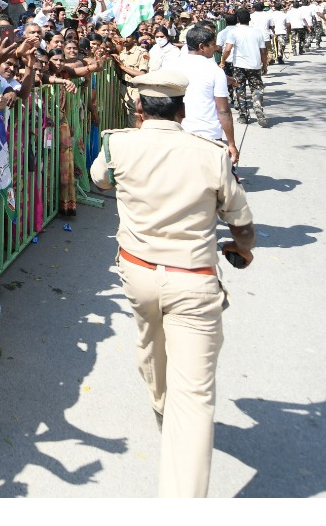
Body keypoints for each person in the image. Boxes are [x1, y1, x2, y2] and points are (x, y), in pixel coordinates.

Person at [90, 71, 255, 497]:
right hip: (194, 282)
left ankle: (162, 402)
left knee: (149, 339)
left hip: (137, 274)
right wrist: (243, 248)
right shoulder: (211, 154)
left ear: (139, 110)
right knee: (196, 397)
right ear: (182, 111)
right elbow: (241, 221)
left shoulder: (119, 143)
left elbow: (99, 180)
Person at [180, 24, 239, 163]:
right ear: (202, 47)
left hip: (179, 132)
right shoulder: (215, 71)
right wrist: (231, 143)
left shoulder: (172, 65)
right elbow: (223, 111)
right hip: (208, 134)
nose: (216, 48)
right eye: (212, 44)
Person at [219, 7, 268, 125]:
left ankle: (243, 115)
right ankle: (257, 105)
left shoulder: (233, 32)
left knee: (239, 89)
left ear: (237, 19)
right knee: (257, 87)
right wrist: (265, 65)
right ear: (249, 19)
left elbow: (228, 49)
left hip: (239, 65)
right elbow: (263, 51)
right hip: (254, 65)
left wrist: (223, 61)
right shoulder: (257, 32)